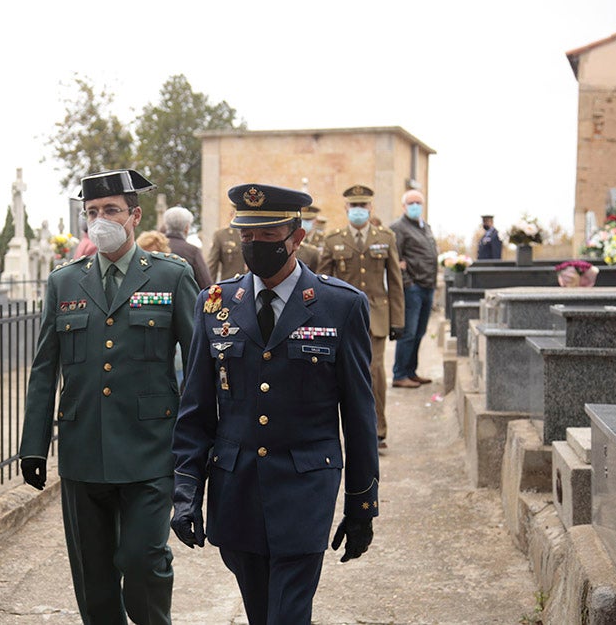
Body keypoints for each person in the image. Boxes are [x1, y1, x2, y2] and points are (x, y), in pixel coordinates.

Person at [171, 183, 379, 625]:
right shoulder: (216, 304)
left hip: (305, 487)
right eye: (247, 237)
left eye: (268, 237)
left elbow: (359, 416)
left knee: (287, 615)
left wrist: (362, 506)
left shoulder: (340, 305)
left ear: (296, 237)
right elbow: (197, 408)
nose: (255, 246)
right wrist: (186, 490)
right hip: (237, 487)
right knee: (261, 612)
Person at [19, 169, 198, 625]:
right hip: (85, 449)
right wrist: (33, 445)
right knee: (93, 578)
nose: (101, 220)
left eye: (111, 210)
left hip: (150, 449)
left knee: (143, 562)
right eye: (92, 212)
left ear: (134, 216)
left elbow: (200, 367)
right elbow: (45, 369)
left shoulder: (170, 276)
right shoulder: (65, 282)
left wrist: (201, 447)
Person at [316, 185, 404, 449]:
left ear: (370, 208)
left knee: (374, 371)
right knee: (335, 373)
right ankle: (334, 429)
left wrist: (397, 320)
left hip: (376, 315)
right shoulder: (333, 239)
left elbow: (395, 282)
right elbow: (323, 281)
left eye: (362, 206)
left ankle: (377, 429)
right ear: (346, 209)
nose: (358, 211)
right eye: (353, 206)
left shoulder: (386, 237)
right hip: (341, 316)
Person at [389, 189, 438, 389]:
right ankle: (399, 374)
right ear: (404, 206)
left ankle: (411, 371)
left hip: (428, 285)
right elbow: (395, 259)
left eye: (419, 202)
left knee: (419, 332)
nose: (416, 206)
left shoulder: (424, 226)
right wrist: (408, 282)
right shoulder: (398, 228)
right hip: (413, 288)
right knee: (408, 332)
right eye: (412, 203)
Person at [162, 206, 213, 290]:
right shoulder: (192, 251)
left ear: (166, 225)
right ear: (186, 228)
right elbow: (206, 284)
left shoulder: (155, 246)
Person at [296, 206, 322, 270]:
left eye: (308, 220)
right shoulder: (294, 239)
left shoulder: (323, 240)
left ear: (316, 221)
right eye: (303, 220)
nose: (305, 223)